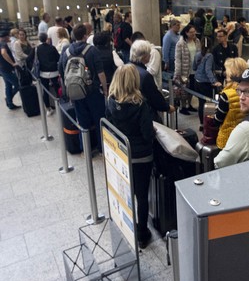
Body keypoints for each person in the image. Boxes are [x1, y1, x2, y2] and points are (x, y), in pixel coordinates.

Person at [105, 64, 155, 250]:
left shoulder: (110, 101)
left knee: (126, 191)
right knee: (142, 195)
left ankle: (126, 223)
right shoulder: (140, 104)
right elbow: (147, 133)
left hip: (121, 154)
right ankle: (142, 233)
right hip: (141, 156)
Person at [58, 24, 108, 153]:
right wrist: (106, 90)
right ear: (85, 35)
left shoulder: (66, 51)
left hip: (75, 92)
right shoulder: (92, 50)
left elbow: (62, 71)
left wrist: (67, 90)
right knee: (99, 120)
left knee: (82, 121)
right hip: (93, 92)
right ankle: (101, 147)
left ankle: (85, 148)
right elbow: (100, 73)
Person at [130, 40, 175, 124]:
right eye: (148, 53)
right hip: (144, 113)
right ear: (143, 56)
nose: (150, 55)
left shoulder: (126, 68)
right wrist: (167, 107)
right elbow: (153, 96)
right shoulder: (145, 75)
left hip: (130, 112)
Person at [208, 57, 248, 148]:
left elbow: (217, 120)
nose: (225, 73)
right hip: (244, 138)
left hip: (227, 139)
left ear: (232, 73)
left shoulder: (226, 95)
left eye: (227, 70)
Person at [27, 32, 60, 115]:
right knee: (57, 88)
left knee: (45, 91)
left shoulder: (36, 49)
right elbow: (58, 58)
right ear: (47, 38)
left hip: (43, 73)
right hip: (54, 71)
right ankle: (60, 104)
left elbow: (28, 59)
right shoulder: (52, 48)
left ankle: (48, 109)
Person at [193, 39, 221, 128]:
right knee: (211, 103)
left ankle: (201, 123)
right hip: (206, 83)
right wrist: (214, 81)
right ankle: (209, 123)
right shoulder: (209, 56)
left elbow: (194, 67)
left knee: (201, 103)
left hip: (197, 81)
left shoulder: (197, 54)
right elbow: (208, 69)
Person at [174, 24, 201, 115]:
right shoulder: (180, 44)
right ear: (186, 33)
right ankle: (183, 106)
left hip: (195, 70)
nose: (194, 33)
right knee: (184, 90)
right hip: (185, 70)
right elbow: (178, 59)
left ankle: (189, 104)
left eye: (194, 32)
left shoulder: (197, 41)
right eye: (191, 32)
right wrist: (178, 73)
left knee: (192, 89)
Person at [0, 30, 21, 110]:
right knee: (18, 85)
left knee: (8, 86)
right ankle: (9, 100)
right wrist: (12, 63)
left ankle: (10, 104)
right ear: (5, 37)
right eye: (8, 36)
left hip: (2, 69)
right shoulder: (3, 44)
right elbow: (3, 53)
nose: (9, 37)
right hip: (7, 69)